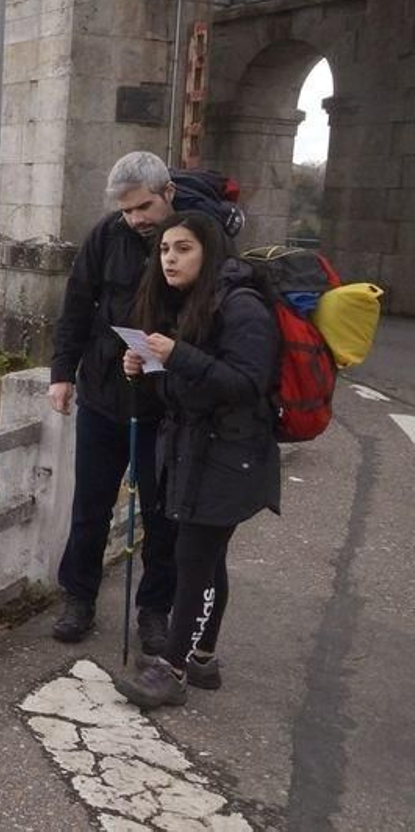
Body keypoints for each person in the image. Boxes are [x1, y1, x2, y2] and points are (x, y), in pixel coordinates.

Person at [47, 151, 238, 653]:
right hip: (104, 391)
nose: (135, 220)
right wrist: (62, 373)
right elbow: (77, 303)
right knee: (89, 503)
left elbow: (215, 316)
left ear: (168, 193)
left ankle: (155, 610)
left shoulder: (199, 239)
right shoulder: (107, 235)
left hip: (168, 406)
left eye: (144, 207)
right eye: (127, 210)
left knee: (163, 515)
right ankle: (79, 597)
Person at [114, 212, 280, 707]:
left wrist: (178, 354)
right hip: (197, 453)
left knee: (194, 558)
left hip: (230, 457)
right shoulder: (192, 305)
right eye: (165, 249)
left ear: (208, 251)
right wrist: (145, 368)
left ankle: (174, 670)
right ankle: (202, 657)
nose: (170, 258)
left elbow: (247, 384)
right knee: (208, 558)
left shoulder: (243, 307)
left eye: (183, 248)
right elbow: (187, 393)